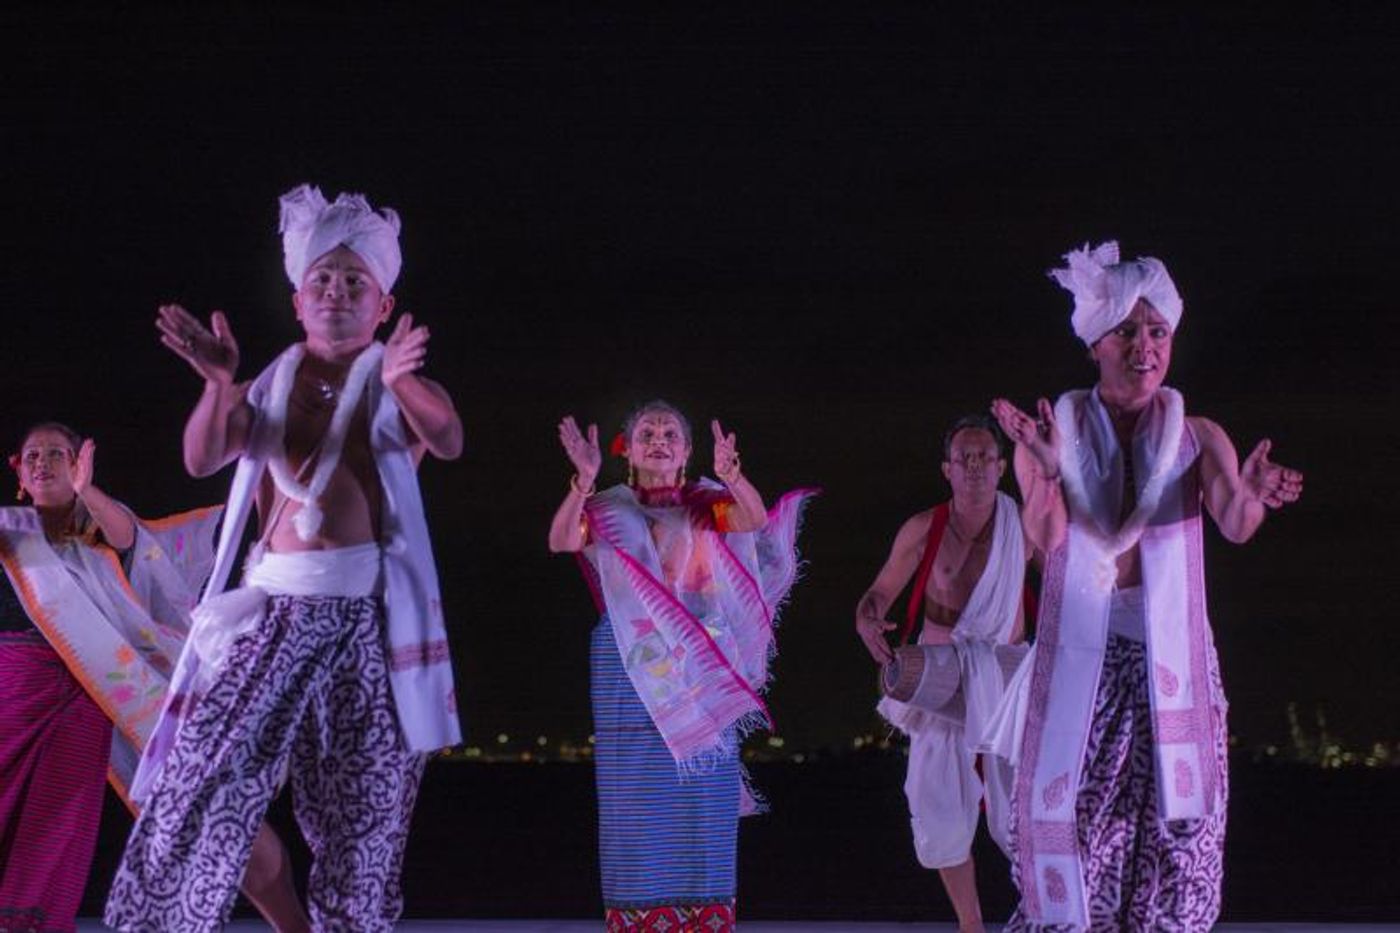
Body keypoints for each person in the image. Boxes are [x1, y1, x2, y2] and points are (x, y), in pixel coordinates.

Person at [105, 184, 464, 932]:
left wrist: (399, 381)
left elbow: (450, 437)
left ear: (384, 306)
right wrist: (216, 383)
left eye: (354, 281)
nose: (336, 291)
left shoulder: (398, 387)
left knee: (364, 812)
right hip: (274, 615)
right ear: (297, 300)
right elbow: (203, 456)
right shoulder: (269, 383)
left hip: (367, 621)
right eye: (322, 280)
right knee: (203, 780)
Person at [986, 241, 1304, 931]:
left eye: (1158, 331)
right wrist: (1046, 469)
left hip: (1176, 668)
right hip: (1085, 665)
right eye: (1128, 330)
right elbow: (1047, 540)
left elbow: (1235, 520)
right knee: (1077, 831)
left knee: (1176, 839)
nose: (1145, 345)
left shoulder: (1199, 435)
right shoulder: (1053, 433)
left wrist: (1251, 492)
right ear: (1096, 341)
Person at [549, 401, 814, 933]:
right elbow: (560, 541)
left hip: (701, 667)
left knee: (703, 804)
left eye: (671, 432)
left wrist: (733, 479)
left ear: (687, 451)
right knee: (635, 803)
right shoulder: (607, 509)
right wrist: (581, 482)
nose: (660, 439)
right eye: (647, 431)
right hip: (630, 665)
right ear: (629, 448)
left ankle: (704, 916)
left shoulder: (705, 505)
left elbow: (753, 519)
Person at [855, 414, 1031, 933]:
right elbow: (880, 591)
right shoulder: (922, 528)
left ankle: (1045, 910)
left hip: (1004, 676)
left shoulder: (1023, 523)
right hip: (940, 682)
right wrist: (867, 617)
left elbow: (1072, 575)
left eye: (985, 458)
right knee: (939, 811)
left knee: (1021, 812)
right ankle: (970, 926)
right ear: (947, 469)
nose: (975, 467)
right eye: (965, 459)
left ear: (1002, 467)